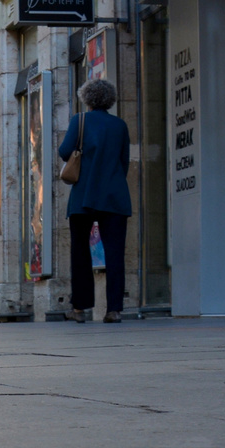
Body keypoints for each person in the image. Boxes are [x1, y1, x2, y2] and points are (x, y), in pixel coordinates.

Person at [58, 78, 131, 323]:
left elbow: (64, 152)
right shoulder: (119, 125)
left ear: (86, 99)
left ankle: (79, 309)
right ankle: (114, 309)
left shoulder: (79, 121)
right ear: (110, 100)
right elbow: (124, 162)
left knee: (80, 252)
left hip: (83, 196)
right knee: (115, 253)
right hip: (114, 196)